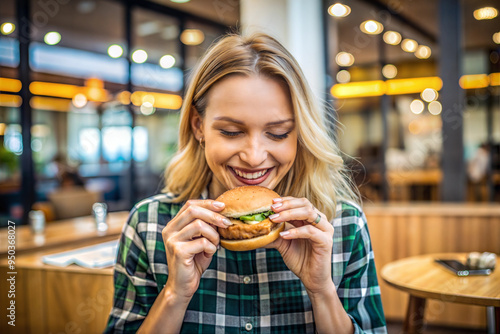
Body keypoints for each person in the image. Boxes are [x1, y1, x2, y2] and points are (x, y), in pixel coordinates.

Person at [105, 33, 386, 333]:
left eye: (277, 133)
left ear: (300, 133)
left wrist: (322, 291)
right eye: (230, 131)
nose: (253, 157)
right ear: (199, 126)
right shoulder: (148, 225)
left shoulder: (342, 224)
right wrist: (174, 295)